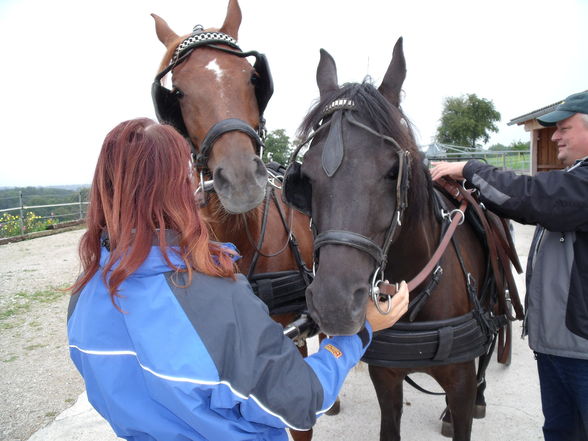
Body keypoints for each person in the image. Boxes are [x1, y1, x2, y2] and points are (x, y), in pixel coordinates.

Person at [67, 117, 409, 441]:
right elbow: (302, 400)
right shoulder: (214, 297)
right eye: (190, 174)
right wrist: (360, 332)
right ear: (181, 187)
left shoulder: (83, 295)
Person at [429, 91, 588, 441]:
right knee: (561, 431)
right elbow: (525, 203)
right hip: (560, 347)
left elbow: (532, 197)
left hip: (581, 350)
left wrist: (470, 168)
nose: (555, 136)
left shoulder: (580, 185)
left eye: (564, 128)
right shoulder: (575, 179)